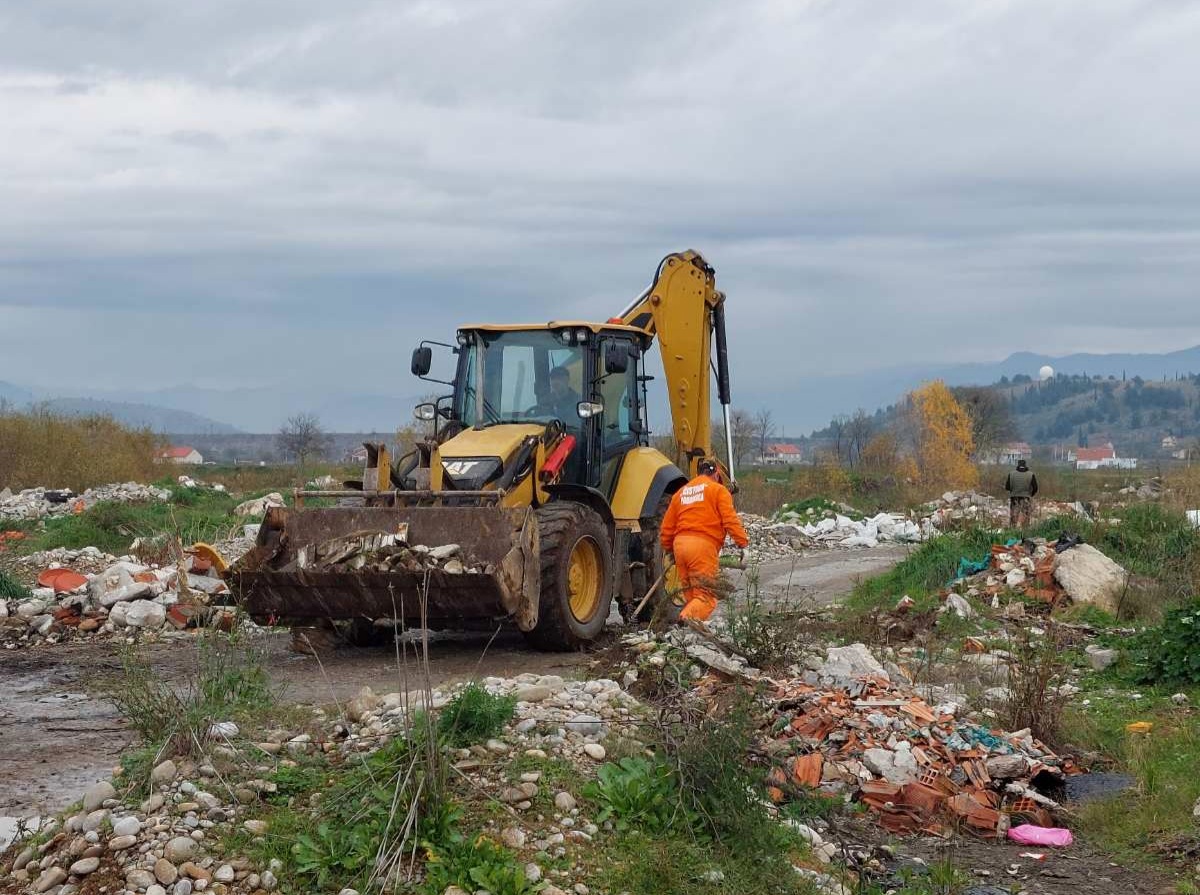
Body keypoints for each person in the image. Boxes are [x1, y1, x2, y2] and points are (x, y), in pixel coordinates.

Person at [659, 458, 750, 623]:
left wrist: (669, 550)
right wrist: (743, 544)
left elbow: (666, 528)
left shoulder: (681, 492)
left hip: (680, 547)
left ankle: (685, 635)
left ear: (699, 473)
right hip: (702, 546)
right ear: (715, 474)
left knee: (692, 595)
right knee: (706, 597)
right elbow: (730, 520)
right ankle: (684, 624)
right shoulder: (718, 490)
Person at [1004, 458, 1038, 526]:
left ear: (1018, 465)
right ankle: (1025, 532)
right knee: (1025, 517)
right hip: (1026, 498)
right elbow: (1035, 487)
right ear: (1025, 465)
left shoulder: (1011, 474)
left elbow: (1007, 487)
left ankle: (1012, 531)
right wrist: (1030, 495)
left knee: (1014, 517)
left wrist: (1013, 491)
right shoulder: (1031, 474)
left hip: (1014, 498)